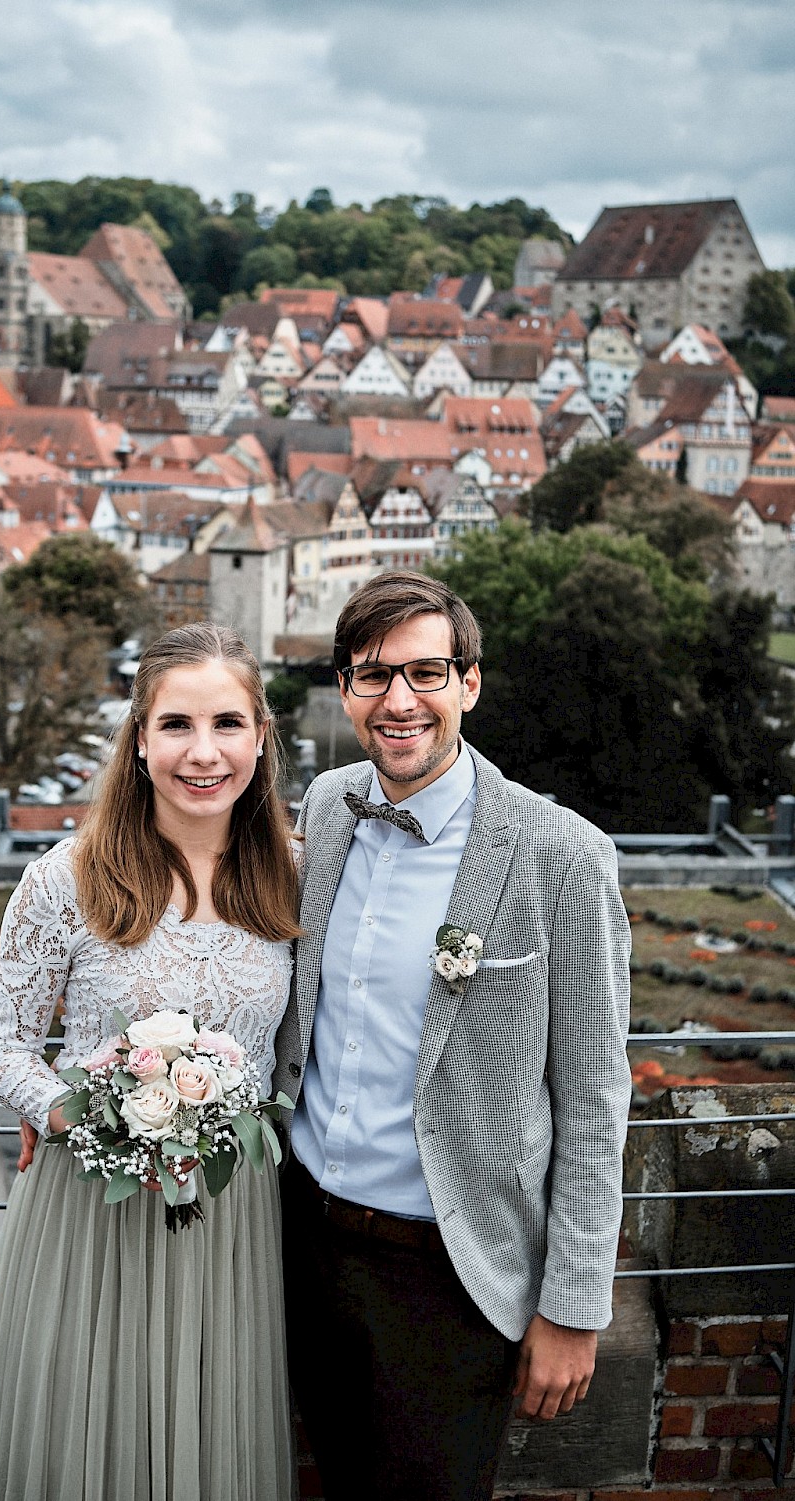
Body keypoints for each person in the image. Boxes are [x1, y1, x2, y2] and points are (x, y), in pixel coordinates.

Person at [273, 570, 632, 1501]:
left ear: (470, 682)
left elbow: (593, 1099)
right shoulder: (329, 806)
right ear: (345, 689)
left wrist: (573, 1308)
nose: (400, 700)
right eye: (372, 673)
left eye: (426, 671)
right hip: (299, 1244)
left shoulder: (562, 854)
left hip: (448, 1275)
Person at [0, 622, 300, 1501]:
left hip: (231, 1217)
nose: (204, 752)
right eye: (177, 725)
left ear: (261, 738)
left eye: (228, 724)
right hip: (89, 1208)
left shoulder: (298, 878)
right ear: (140, 739)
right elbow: (1, 1047)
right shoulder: (65, 878)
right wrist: (85, 1114)